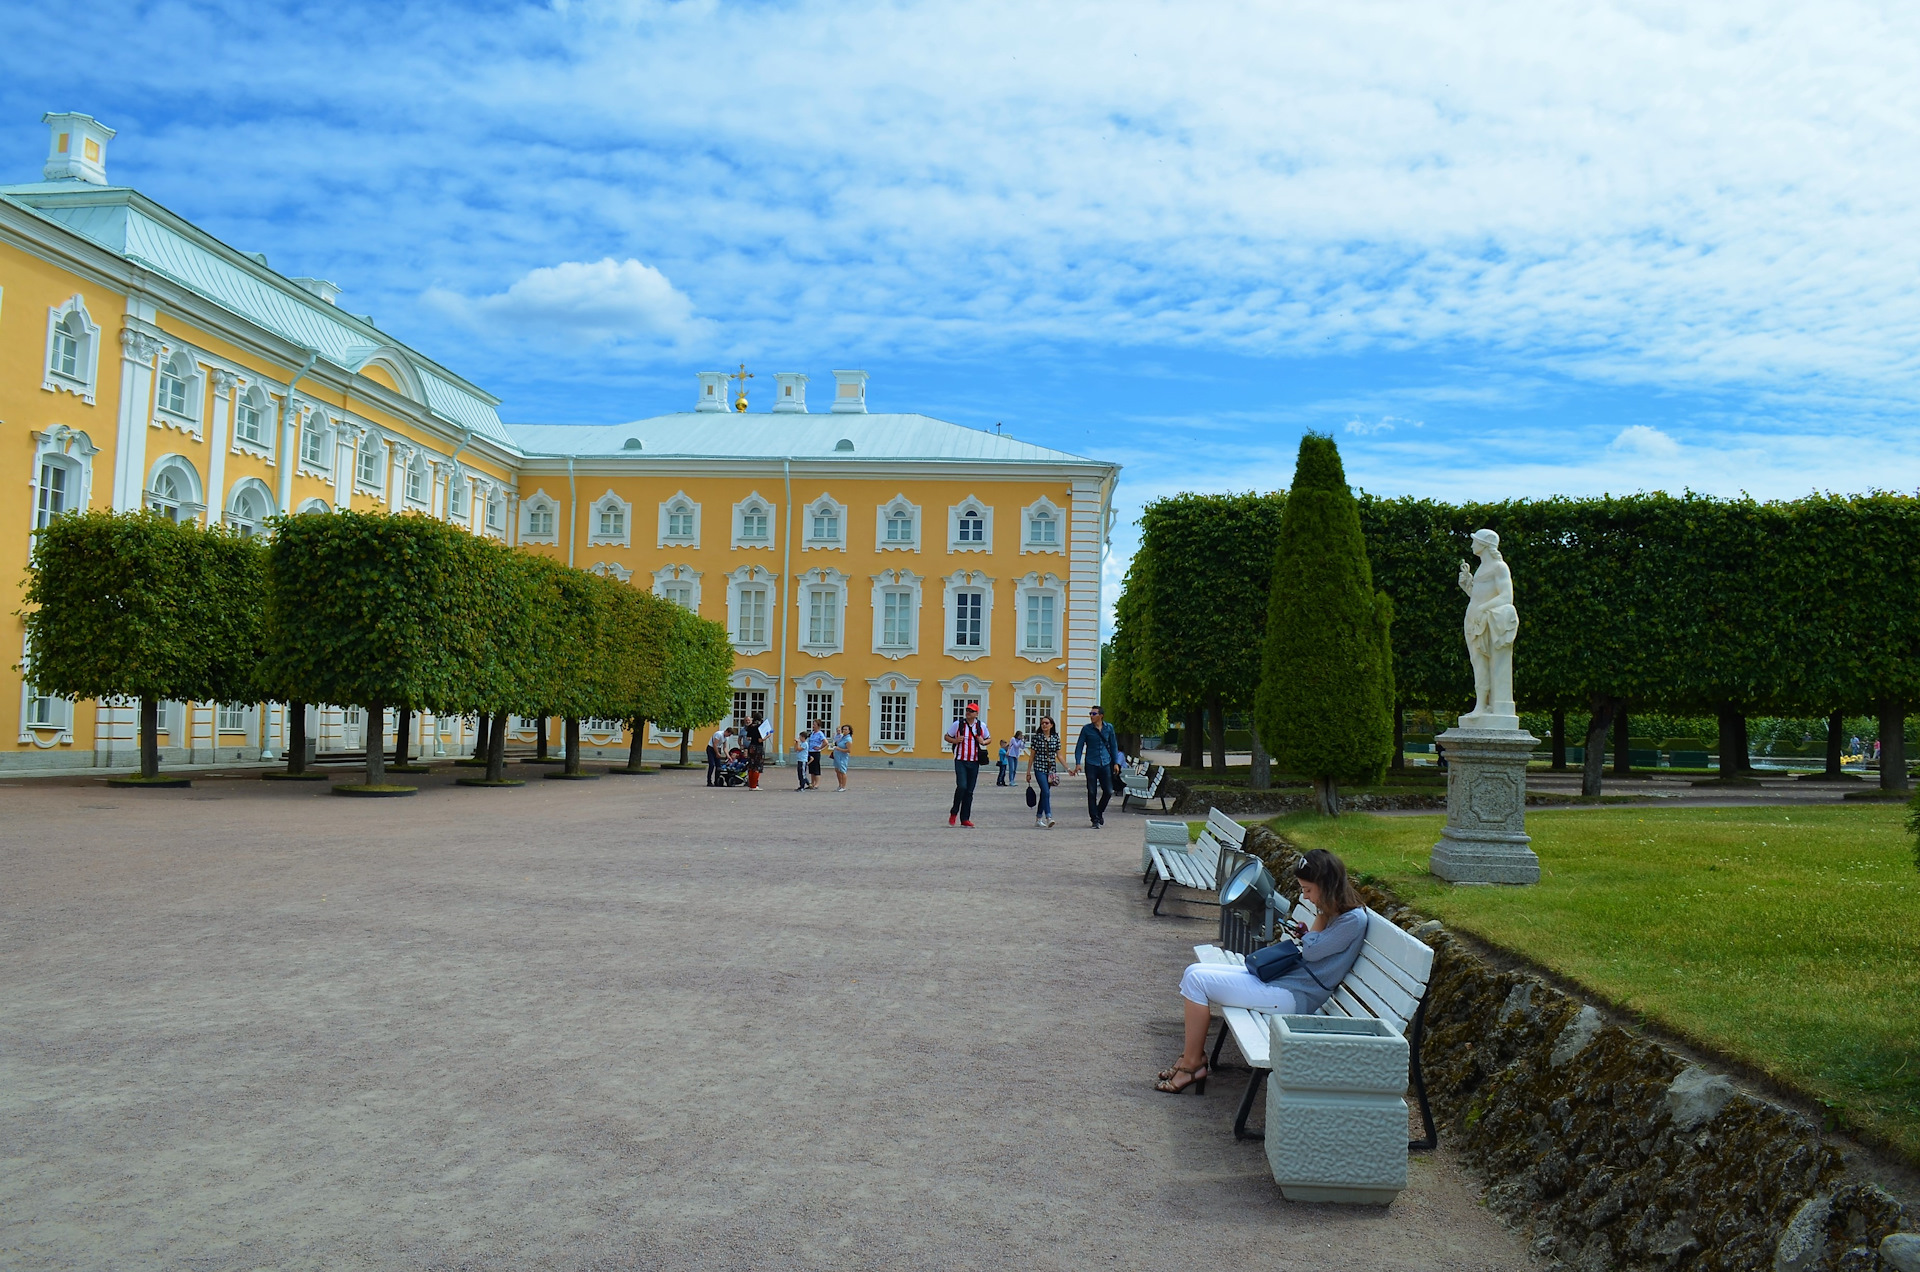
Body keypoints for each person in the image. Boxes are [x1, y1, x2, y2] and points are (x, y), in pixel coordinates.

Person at [1156, 849, 1370, 1094]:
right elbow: (1314, 944)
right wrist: (1317, 923)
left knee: (1197, 981)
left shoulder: (1352, 920)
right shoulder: (1337, 913)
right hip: (1285, 984)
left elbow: (1311, 951)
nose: (1306, 896)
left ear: (1327, 885)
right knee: (1193, 971)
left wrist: (1313, 927)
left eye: (1308, 890)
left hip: (1294, 997)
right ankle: (1190, 1058)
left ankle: (1193, 1064)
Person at [1070, 705, 1122, 829]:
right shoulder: (1086, 729)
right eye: (1090, 714)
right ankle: (1094, 819)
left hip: (1105, 763)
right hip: (1091, 763)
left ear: (1101, 715)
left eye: (1094, 714)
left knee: (1108, 791)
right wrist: (1078, 763)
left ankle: (1099, 812)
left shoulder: (1109, 728)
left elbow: (1114, 746)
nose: (1091, 716)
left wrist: (1115, 762)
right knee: (1092, 791)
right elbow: (1079, 746)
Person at [945, 702, 989, 827]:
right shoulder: (958, 724)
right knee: (962, 786)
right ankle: (954, 812)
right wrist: (955, 740)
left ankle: (965, 818)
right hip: (960, 760)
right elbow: (947, 736)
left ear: (976, 713)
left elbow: (989, 739)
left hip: (974, 761)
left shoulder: (981, 726)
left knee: (969, 791)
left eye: (971, 711)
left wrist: (983, 741)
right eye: (967, 710)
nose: (968, 712)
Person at [1026, 715, 1059, 829]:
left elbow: (1059, 755)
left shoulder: (1055, 738)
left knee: (1044, 793)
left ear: (1051, 725)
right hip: (1039, 767)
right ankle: (1049, 817)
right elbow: (1032, 756)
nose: (1044, 725)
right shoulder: (1037, 738)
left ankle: (1038, 818)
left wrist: (1068, 768)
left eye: (1046, 723)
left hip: (1051, 770)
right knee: (1046, 791)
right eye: (1042, 723)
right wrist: (1028, 772)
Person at [806, 720, 828, 789]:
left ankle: (817, 784)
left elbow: (825, 742)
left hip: (816, 752)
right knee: (811, 768)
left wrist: (820, 747)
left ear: (818, 726)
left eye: (814, 725)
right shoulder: (812, 733)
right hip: (810, 751)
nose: (813, 726)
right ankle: (812, 783)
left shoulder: (820, 733)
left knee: (816, 768)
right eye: (813, 724)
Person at [744, 716, 765, 790]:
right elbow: (760, 740)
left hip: (751, 747)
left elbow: (748, 738)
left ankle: (751, 785)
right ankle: (754, 785)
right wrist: (767, 736)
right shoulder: (760, 728)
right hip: (758, 748)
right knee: (757, 766)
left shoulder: (750, 727)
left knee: (751, 766)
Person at [832, 723, 853, 791]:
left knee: (842, 771)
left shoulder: (848, 739)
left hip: (842, 757)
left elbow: (849, 750)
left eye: (846, 729)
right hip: (837, 756)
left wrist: (839, 749)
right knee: (837, 770)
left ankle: (843, 786)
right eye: (843, 729)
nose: (844, 730)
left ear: (849, 731)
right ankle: (840, 785)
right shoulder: (842, 737)